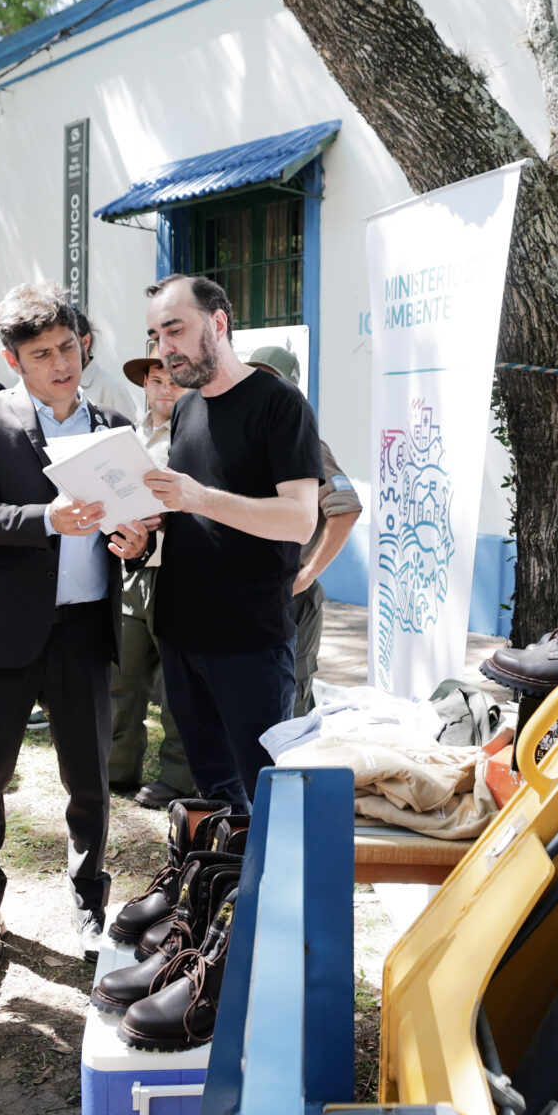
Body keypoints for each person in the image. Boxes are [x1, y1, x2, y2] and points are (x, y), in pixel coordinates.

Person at [0, 283, 152, 969]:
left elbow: (138, 520)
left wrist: (136, 541)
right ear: (14, 360)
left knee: (89, 781)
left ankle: (90, 903)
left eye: (68, 346)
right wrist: (46, 520)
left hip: (84, 632)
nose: (63, 363)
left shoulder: (114, 425)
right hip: (4, 630)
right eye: (43, 354)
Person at [140, 274, 322, 809]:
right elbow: (188, 510)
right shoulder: (187, 408)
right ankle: (218, 885)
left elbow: (299, 521)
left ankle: (263, 892)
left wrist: (197, 498)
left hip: (248, 639)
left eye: (174, 330)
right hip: (179, 632)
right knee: (213, 791)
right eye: (155, 335)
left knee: (265, 791)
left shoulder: (280, 404)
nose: (164, 348)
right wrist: (145, 528)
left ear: (218, 323)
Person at [243, 344, 362, 718]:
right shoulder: (250, 441)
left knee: (288, 701)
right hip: (249, 595)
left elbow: (346, 508)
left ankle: (290, 775)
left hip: (290, 599)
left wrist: (307, 575)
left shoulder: (303, 441)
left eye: (269, 380)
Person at [109, 353, 197, 808]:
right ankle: (117, 766)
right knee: (121, 676)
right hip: (130, 569)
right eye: (156, 380)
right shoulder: (127, 436)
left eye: (174, 381)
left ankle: (178, 778)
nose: (165, 390)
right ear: (144, 383)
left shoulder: (199, 434)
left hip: (181, 573)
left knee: (177, 688)